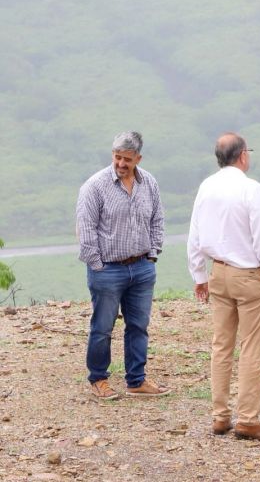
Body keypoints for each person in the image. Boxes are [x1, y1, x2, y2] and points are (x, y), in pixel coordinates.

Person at [187, 133, 260, 441]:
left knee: (221, 345)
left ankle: (220, 416)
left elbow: (195, 233)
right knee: (252, 346)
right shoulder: (250, 188)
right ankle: (249, 419)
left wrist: (199, 275)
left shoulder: (206, 186)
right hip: (249, 273)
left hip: (218, 272)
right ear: (242, 156)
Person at [76, 131, 169, 400]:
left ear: (138, 158)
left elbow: (158, 219)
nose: (121, 163)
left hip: (141, 266)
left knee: (138, 326)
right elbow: (86, 229)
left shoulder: (148, 182)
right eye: (117, 157)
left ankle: (136, 380)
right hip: (107, 269)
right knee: (103, 328)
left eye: (127, 159)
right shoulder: (94, 186)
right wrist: (97, 265)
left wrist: (153, 253)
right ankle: (99, 379)